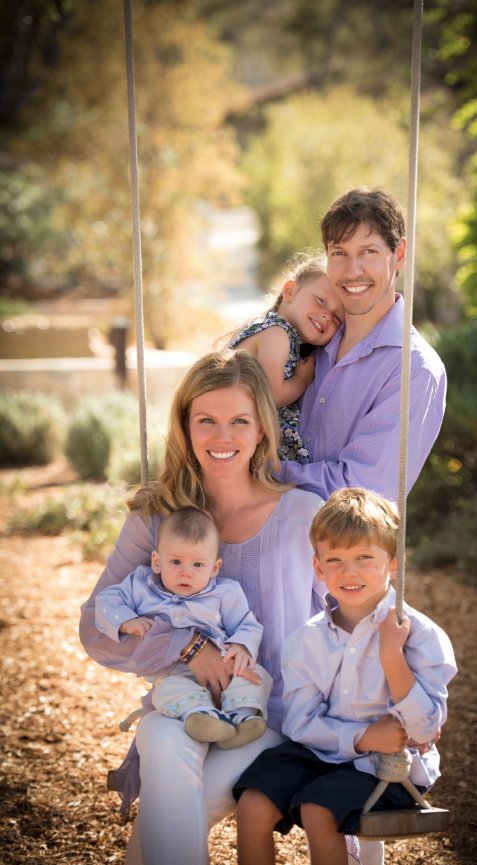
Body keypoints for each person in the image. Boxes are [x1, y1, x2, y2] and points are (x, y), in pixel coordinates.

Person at [79, 349, 325, 865]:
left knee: (179, 803)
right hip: (180, 705)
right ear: (185, 426)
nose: (222, 437)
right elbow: (95, 627)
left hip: (268, 714)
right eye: (206, 420)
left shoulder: (303, 515)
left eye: (240, 421)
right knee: (164, 747)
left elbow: (358, 616)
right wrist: (187, 647)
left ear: (263, 429)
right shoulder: (156, 518)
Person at [233, 488, 457, 865]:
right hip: (321, 753)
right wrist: (363, 735)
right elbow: (301, 723)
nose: (349, 572)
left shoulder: (421, 636)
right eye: (334, 559)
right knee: (253, 804)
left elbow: (423, 730)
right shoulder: (305, 640)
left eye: (365, 557)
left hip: (386, 769)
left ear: (392, 564)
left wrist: (391, 656)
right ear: (318, 568)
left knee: (319, 809)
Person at [277, 187, 447, 504]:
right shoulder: (309, 336)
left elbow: (360, 491)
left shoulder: (415, 369)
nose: (353, 271)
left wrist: (260, 472)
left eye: (368, 252)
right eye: (339, 253)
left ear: (398, 255)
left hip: (333, 552)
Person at [94, 506, 273, 749]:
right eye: (176, 561)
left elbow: (246, 623)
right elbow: (105, 601)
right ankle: (201, 717)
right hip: (173, 670)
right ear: (157, 562)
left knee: (255, 675)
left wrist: (241, 646)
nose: (186, 572)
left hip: (224, 665)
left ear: (214, 568)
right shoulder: (141, 585)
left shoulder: (225, 592)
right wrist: (126, 620)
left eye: (198, 565)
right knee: (167, 689)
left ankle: (242, 717)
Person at [227, 253, 344, 464]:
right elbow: (271, 395)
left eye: (337, 317)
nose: (327, 315)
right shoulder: (277, 333)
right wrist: (302, 379)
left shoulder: (280, 334)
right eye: (321, 301)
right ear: (290, 290)